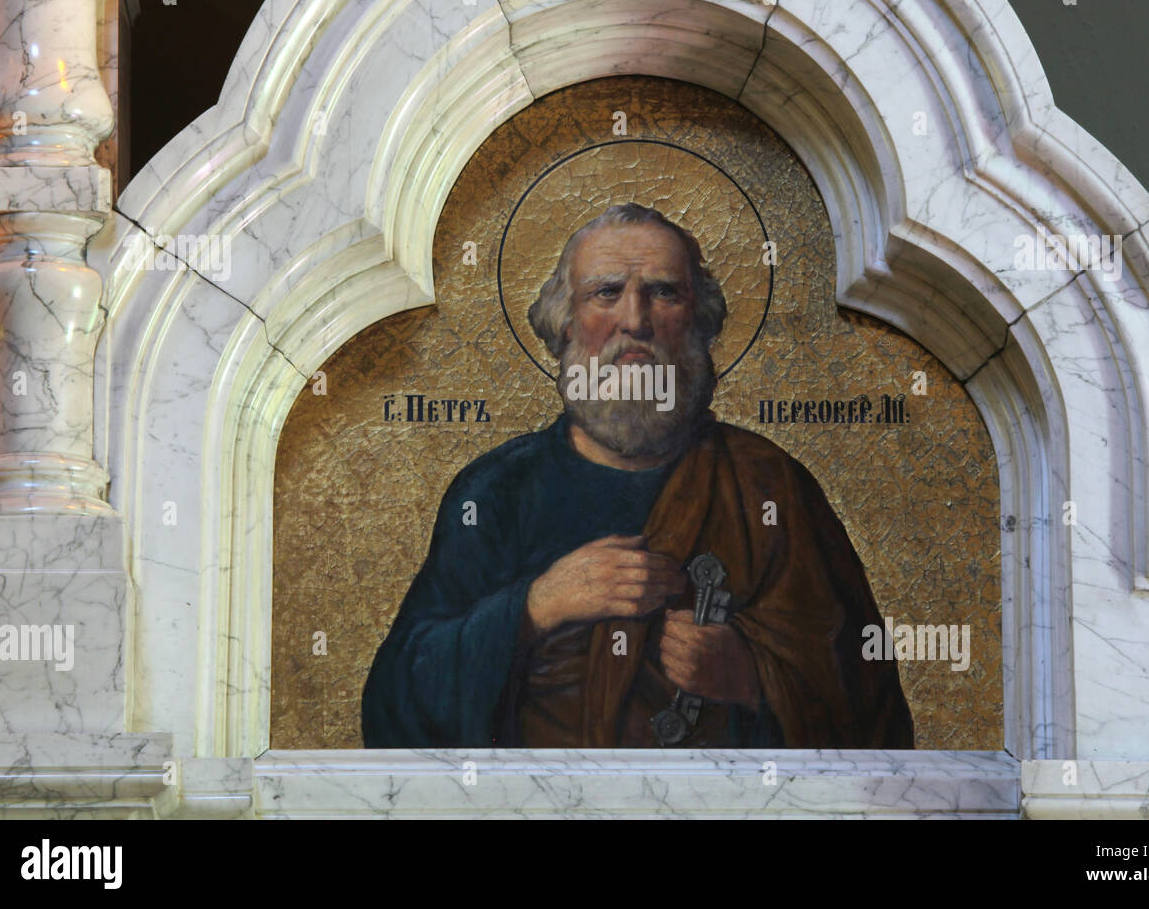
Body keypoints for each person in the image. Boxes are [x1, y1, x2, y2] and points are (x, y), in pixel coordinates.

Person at [362, 203, 913, 748]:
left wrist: (751, 677)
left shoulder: (768, 486)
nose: (635, 320)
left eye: (664, 292)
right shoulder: (494, 492)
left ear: (698, 321)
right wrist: (535, 606)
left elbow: (871, 707)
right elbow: (396, 704)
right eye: (606, 292)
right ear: (565, 324)